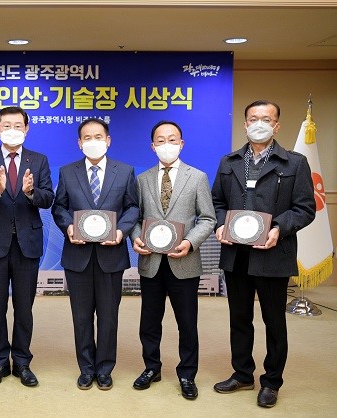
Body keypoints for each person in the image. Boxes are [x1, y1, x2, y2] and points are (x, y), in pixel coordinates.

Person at [211, 100, 315, 408]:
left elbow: (305, 208)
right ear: (245, 125)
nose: (259, 123)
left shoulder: (294, 163)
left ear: (276, 125)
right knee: (239, 318)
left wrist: (278, 228)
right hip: (237, 255)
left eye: (266, 119)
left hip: (273, 254)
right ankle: (243, 373)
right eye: (253, 118)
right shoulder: (229, 162)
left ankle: (271, 381)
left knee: (274, 321)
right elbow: (217, 202)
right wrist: (220, 224)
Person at [52, 118, 139, 390]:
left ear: (108, 140)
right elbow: (59, 207)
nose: (93, 141)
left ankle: (104, 369)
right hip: (77, 255)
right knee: (81, 317)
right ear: (79, 143)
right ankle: (86, 368)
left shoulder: (124, 171)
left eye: (98, 136)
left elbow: (133, 208)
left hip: (111, 256)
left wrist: (121, 231)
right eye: (87, 138)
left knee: (108, 316)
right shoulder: (68, 172)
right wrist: (68, 226)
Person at [130, 121, 215, 400]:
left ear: (181, 143)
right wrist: (135, 237)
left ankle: (187, 374)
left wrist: (190, 242)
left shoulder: (197, 177)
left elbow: (208, 218)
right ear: (153, 146)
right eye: (161, 140)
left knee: (187, 323)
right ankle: (151, 368)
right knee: (149, 321)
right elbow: (135, 218)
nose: (167, 144)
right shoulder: (142, 179)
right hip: (151, 262)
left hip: (184, 262)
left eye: (172, 139)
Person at [0, 106, 54, 387]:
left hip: (27, 244)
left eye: (18, 125)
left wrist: (31, 192)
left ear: (27, 128)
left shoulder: (39, 160)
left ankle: (22, 362)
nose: (12, 130)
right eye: (6, 125)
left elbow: (48, 198)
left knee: (24, 307)